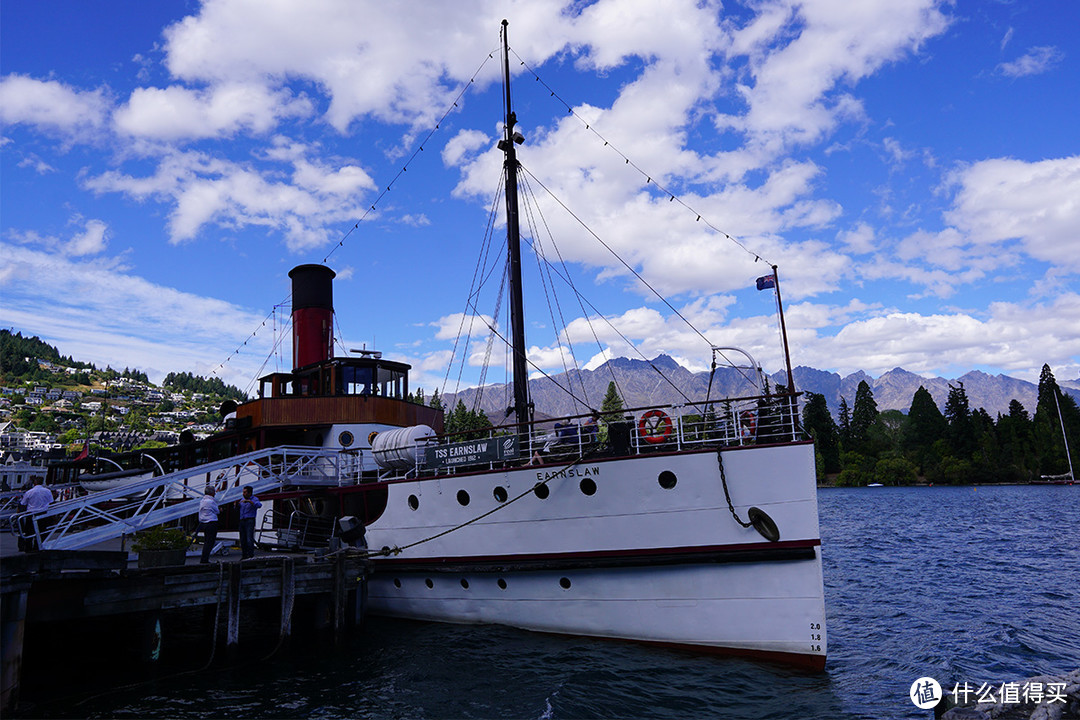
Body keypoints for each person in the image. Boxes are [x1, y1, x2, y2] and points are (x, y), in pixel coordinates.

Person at [17, 477, 54, 552]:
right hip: (43, 513)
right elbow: (51, 501)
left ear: (34, 483)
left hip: (31, 514)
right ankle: (37, 547)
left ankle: (28, 548)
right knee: (41, 532)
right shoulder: (47, 491)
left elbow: (23, 503)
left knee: (29, 532)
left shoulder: (29, 492)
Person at [237, 485, 262, 560]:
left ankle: (250, 555)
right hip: (242, 520)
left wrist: (251, 502)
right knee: (242, 538)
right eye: (243, 492)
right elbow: (238, 508)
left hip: (249, 520)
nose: (243, 494)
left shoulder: (254, 499)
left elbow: (259, 505)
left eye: (245, 492)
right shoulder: (242, 500)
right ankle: (244, 555)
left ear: (249, 493)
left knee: (249, 538)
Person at [198, 486, 220, 564]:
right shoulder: (211, 501)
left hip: (204, 522)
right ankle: (205, 559)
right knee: (210, 542)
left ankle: (204, 558)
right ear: (211, 493)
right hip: (211, 521)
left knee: (207, 541)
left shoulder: (202, 501)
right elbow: (217, 511)